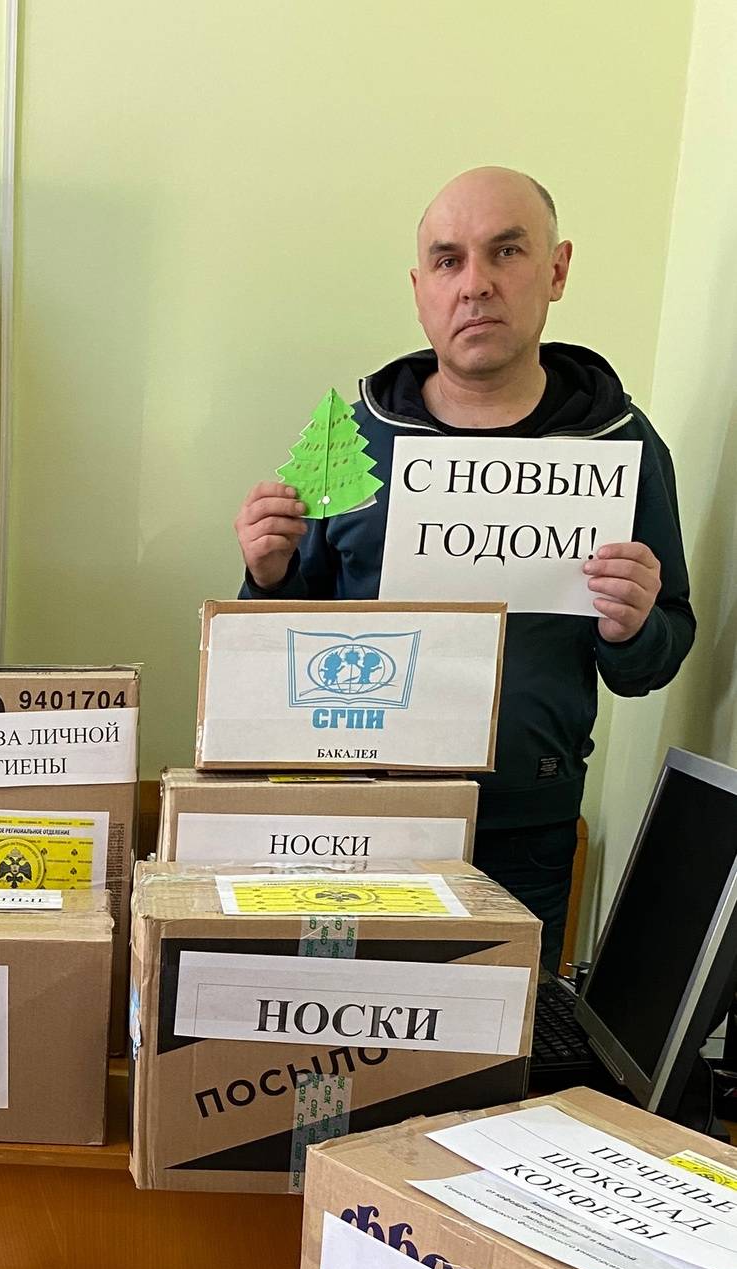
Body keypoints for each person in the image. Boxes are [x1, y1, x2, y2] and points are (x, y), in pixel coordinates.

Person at [233, 167, 694, 970]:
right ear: (420, 291)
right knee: (343, 1035)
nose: (475, 284)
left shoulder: (621, 443)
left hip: (527, 830)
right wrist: (266, 576)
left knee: (507, 1038)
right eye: (448, 261)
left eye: (506, 252)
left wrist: (633, 627)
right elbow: (270, 662)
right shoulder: (348, 435)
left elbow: (655, 659)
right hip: (352, 823)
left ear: (557, 270)